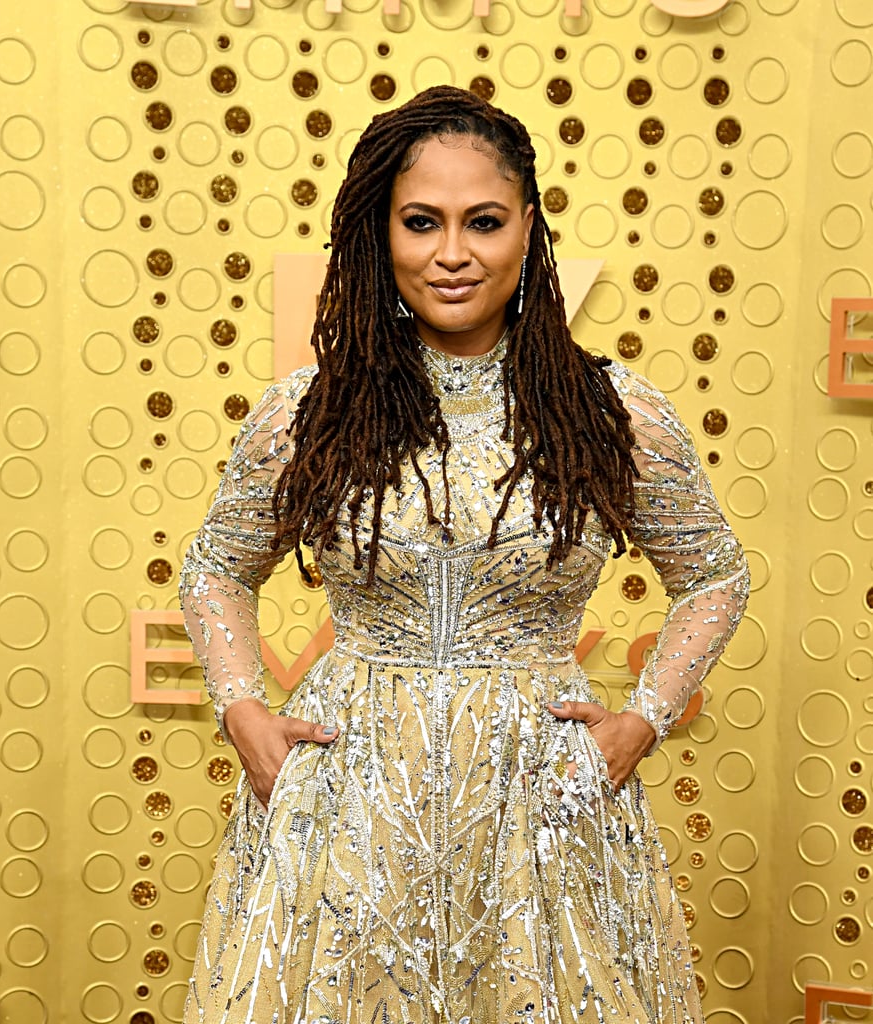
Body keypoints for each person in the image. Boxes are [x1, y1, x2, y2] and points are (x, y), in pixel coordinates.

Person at [179, 85, 749, 1024]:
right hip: (347, 805)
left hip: (542, 804)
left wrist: (641, 720)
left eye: (482, 221)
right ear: (381, 235)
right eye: (420, 222)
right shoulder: (308, 409)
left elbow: (715, 575)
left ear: (528, 229)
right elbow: (216, 567)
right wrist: (245, 711)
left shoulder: (612, 411)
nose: (452, 254)